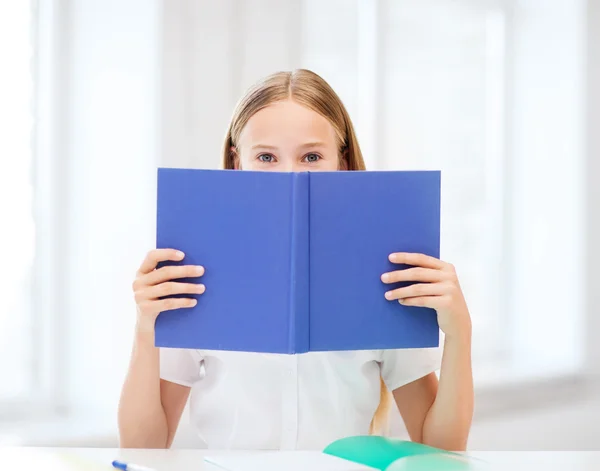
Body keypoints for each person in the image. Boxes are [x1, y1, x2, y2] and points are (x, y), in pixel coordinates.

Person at [118, 69, 474, 451]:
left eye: (311, 156)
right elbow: (144, 446)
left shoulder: (385, 272)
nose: (289, 175)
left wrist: (459, 333)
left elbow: (441, 447)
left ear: (343, 161)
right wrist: (145, 328)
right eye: (267, 156)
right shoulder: (196, 272)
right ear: (238, 163)